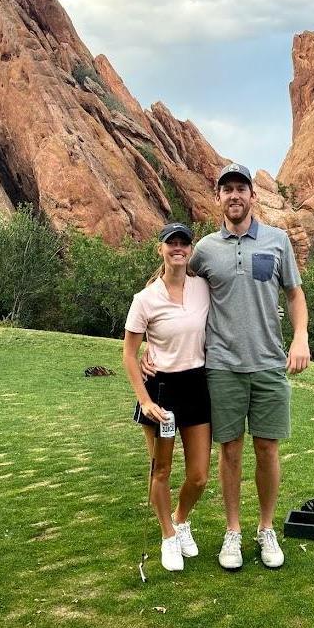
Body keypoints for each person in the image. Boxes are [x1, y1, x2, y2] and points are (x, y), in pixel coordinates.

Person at [143, 164, 310, 570]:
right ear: (217, 197)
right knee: (230, 450)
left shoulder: (277, 240)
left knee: (267, 448)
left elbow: (294, 293)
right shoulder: (205, 249)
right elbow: (170, 281)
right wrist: (148, 338)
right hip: (221, 366)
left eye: (241, 188)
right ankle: (232, 531)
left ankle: (265, 528)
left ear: (252, 195)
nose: (234, 195)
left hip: (268, 363)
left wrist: (301, 337)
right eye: (227, 189)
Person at [122, 223, 212, 572]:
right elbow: (129, 354)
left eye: (183, 243)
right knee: (161, 470)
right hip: (161, 392)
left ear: (190, 250)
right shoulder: (145, 299)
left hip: (197, 386)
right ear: (160, 249)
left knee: (199, 476)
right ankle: (168, 535)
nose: (178, 248)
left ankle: (181, 519)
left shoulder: (202, 287)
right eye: (171, 243)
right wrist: (144, 401)